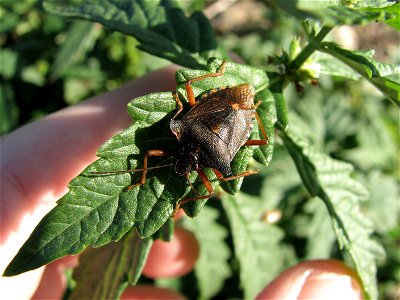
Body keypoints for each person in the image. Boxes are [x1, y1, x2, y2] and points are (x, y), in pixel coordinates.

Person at [1, 67, 363, 299]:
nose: (185, 170)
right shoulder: (191, 143)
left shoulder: (187, 140)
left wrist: (241, 111)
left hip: (234, 111)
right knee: (193, 126)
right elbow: (187, 142)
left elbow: (184, 113)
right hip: (235, 117)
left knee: (190, 115)